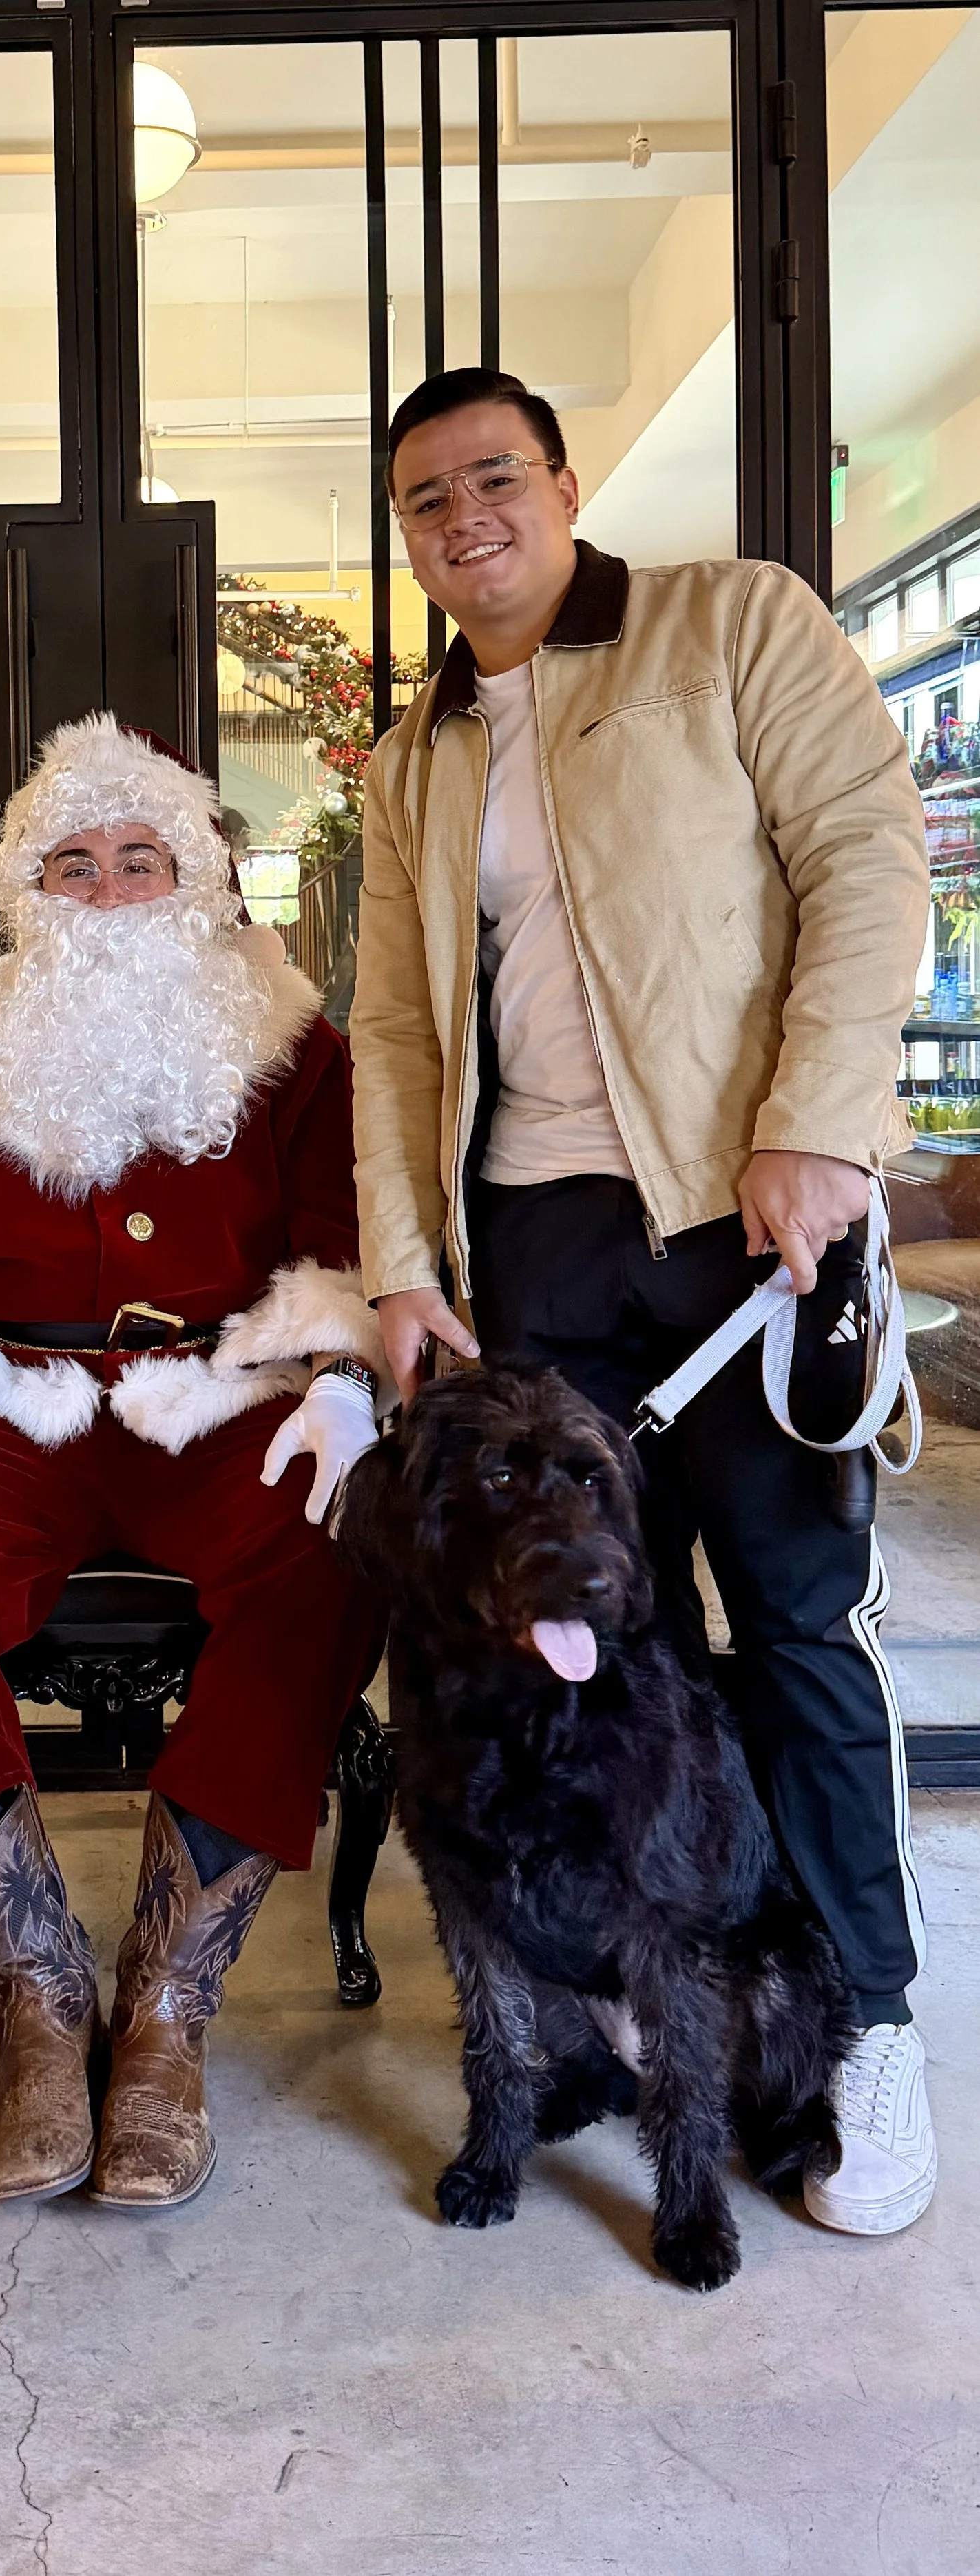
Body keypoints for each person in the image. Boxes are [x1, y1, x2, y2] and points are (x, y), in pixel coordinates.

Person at [349, 363, 937, 2237]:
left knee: (786, 1615)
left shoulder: (725, 624)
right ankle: (637, 1987)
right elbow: (386, 1030)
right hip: (533, 1245)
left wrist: (816, 1124)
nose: (465, 521)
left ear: (562, 479)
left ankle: (866, 2018)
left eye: (491, 478)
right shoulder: (414, 755)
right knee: (593, 1636)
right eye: (426, 500)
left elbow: (868, 856)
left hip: (736, 1210)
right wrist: (399, 1264)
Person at [0, 713, 387, 2211]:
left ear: (194, 876)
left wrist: (337, 1376)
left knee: (339, 1538)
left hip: (223, 1387)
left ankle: (169, 2015)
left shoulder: (295, 1041)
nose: (110, 884)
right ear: (25, 887)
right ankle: (40, 2001)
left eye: (143, 857)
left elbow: (337, 1228)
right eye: (76, 859)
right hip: (8, 1394)